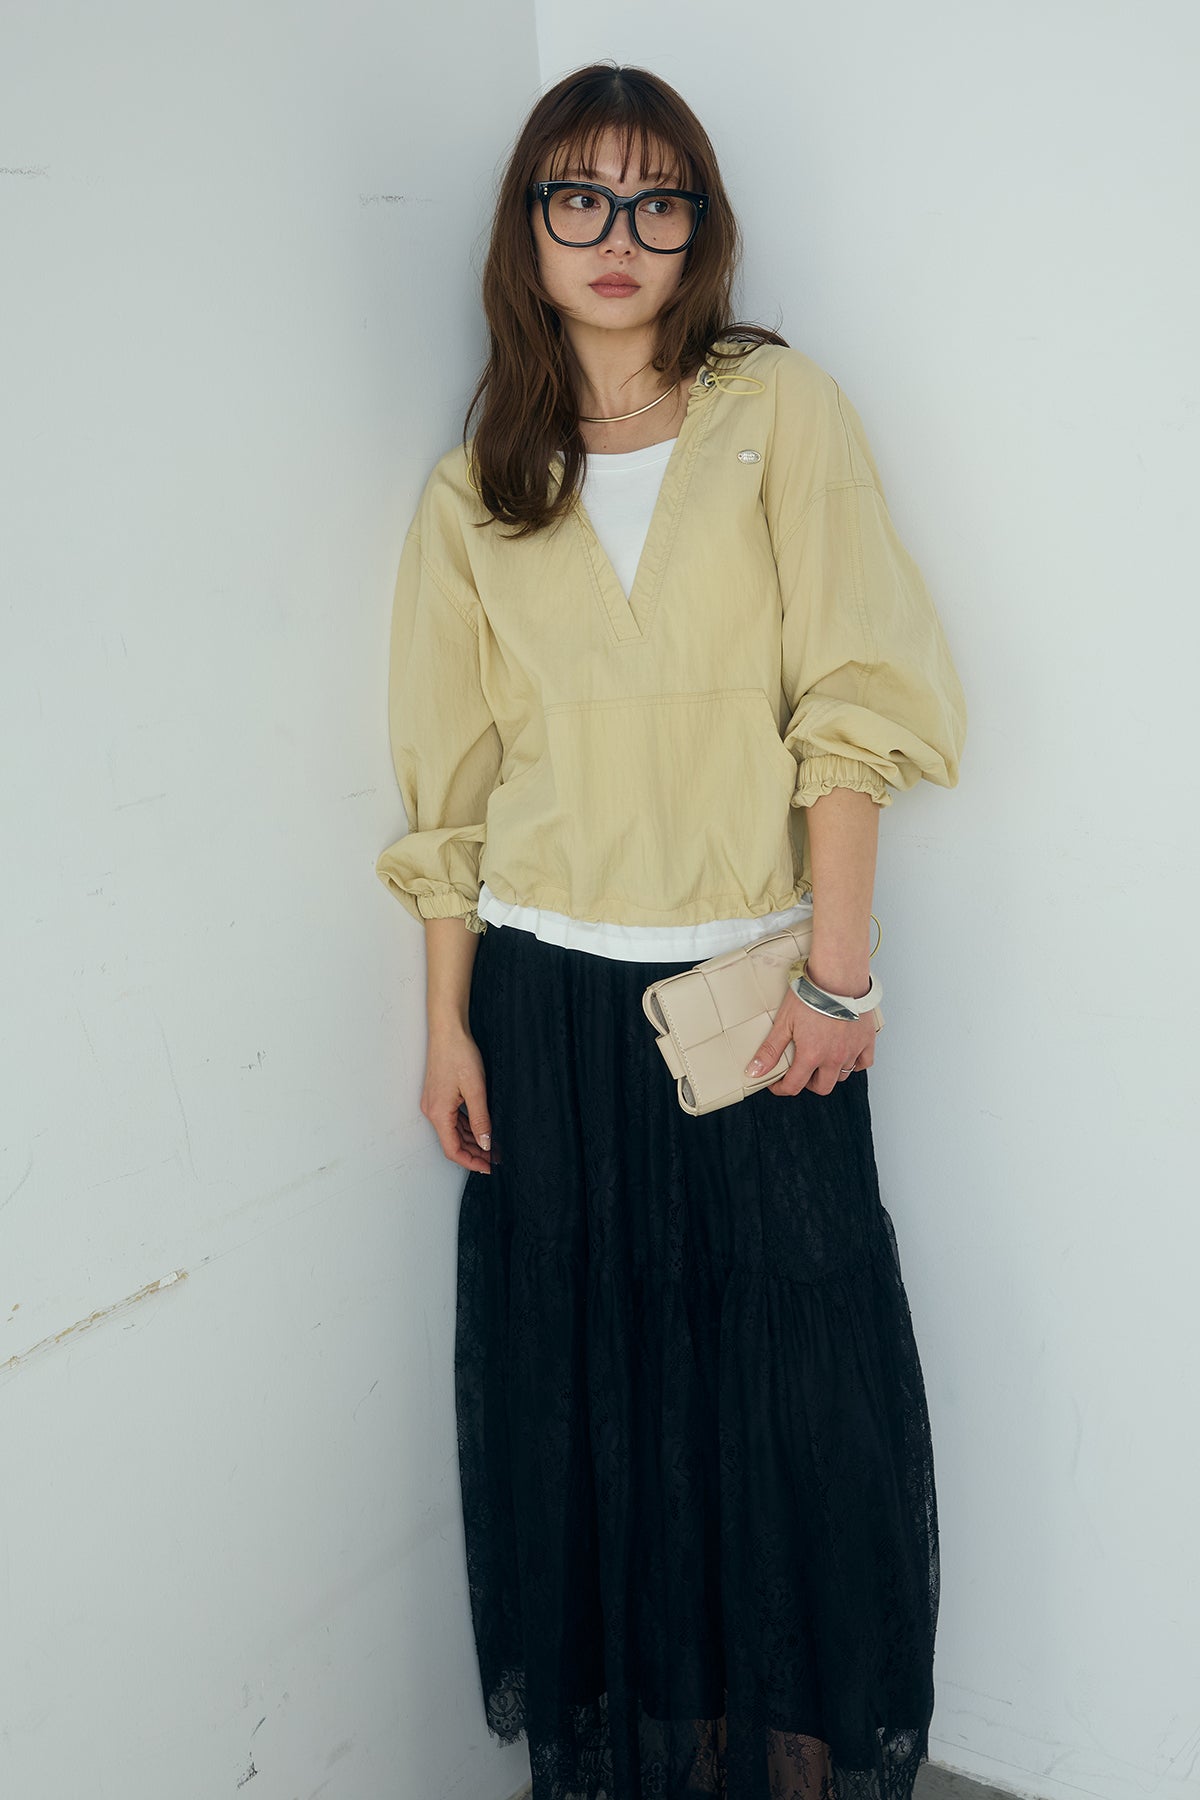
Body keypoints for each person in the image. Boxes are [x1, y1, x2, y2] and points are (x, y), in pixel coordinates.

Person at [376, 60, 967, 1800]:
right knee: (598, 1406)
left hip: (755, 992)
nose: (617, 232)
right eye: (579, 195)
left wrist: (843, 977)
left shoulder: (779, 410)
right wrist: (449, 1024)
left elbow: (853, 694)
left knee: (802, 1409)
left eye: (657, 197)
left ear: (701, 226)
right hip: (547, 1008)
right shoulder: (477, 483)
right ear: (528, 228)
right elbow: (452, 788)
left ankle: (794, 1765)